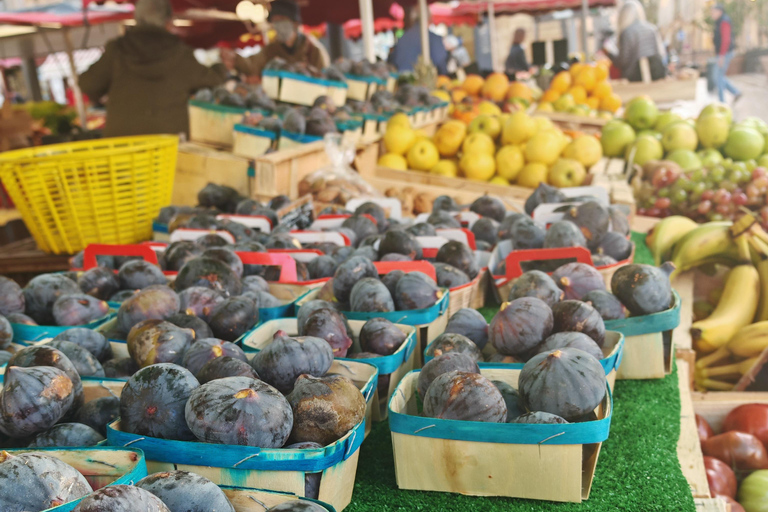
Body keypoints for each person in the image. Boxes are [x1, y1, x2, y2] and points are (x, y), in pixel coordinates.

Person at [78, 0, 225, 137]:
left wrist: (101, 98)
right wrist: (221, 65)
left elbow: (87, 83)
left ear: (136, 19)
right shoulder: (180, 54)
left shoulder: (117, 50)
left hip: (123, 143)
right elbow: (213, 81)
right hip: (167, 144)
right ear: (168, 22)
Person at [232, 0, 329, 78]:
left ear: (295, 23)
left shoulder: (313, 49)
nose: (278, 25)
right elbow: (252, 66)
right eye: (275, 21)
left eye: (282, 19)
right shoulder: (270, 49)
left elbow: (325, 77)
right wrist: (234, 58)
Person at [606, 0, 667, 82]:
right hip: (656, 75)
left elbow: (623, 61)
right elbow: (660, 54)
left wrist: (609, 54)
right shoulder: (651, 29)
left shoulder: (627, 32)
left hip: (635, 78)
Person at [388, 6, 448, 76]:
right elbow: (440, 62)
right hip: (426, 82)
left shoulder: (402, 38)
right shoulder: (434, 38)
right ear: (429, 19)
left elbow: (394, 62)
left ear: (412, 20)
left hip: (403, 81)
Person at [711, 3, 741, 103]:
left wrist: (722, 56)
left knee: (718, 77)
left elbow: (725, 40)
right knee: (719, 77)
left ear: (719, 11)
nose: (712, 14)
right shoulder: (719, 21)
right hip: (722, 54)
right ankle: (735, 92)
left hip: (724, 54)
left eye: (713, 12)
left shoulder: (724, 21)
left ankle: (721, 102)